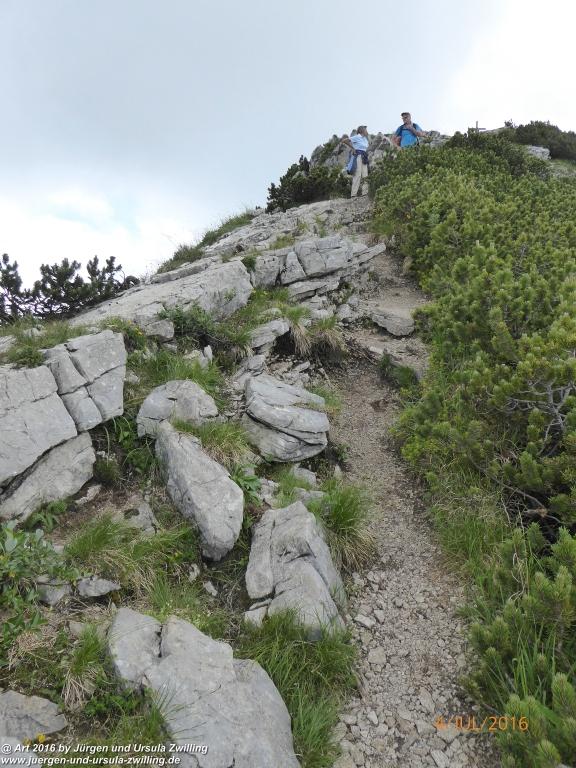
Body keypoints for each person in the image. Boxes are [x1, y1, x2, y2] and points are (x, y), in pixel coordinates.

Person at [339, 125, 370, 197]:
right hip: (358, 156)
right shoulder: (357, 137)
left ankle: (365, 193)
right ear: (362, 130)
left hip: (364, 156)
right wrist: (353, 148)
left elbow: (365, 148)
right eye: (366, 130)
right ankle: (353, 194)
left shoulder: (365, 139)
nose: (367, 131)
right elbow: (344, 140)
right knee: (357, 174)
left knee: (365, 175)